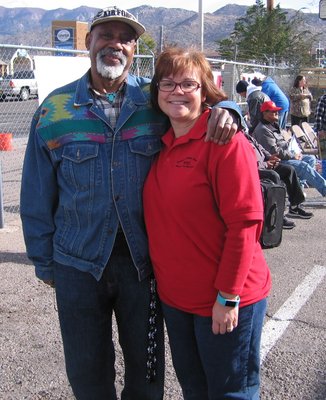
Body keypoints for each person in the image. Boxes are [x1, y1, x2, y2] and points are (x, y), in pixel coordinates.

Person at [20, 7, 242, 400]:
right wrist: (44, 260)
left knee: (147, 373)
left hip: (145, 265)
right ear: (89, 42)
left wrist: (231, 111)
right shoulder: (54, 110)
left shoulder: (154, 103)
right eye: (105, 35)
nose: (114, 44)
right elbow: (36, 192)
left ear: (134, 48)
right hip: (77, 263)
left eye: (124, 38)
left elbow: (198, 106)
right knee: (87, 374)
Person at [144, 47, 271, 399]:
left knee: (231, 392)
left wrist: (228, 296)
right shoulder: (163, 143)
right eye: (167, 84)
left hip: (226, 299)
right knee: (195, 390)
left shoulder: (224, 142)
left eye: (188, 83)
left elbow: (245, 226)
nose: (177, 92)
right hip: (178, 302)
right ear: (156, 92)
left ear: (205, 90)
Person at [253, 101, 326, 199]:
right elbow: (275, 152)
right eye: (273, 111)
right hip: (276, 161)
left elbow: (283, 145)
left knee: (311, 159)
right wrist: (293, 155)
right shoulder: (263, 130)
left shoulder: (273, 125)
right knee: (303, 166)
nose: (277, 113)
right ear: (264, 113)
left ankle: (299, 190)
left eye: (277, 111)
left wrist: (296, 152)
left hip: (287, 155)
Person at [246, 133, 313, 228]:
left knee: (289, 170)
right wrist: (266, 164)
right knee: (273, 175)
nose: (277, 117)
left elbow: (261, 149)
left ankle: (295, 207)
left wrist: (270, 157)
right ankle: (278, 216)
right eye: (275, 116)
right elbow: (246, 162)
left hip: (265, 164)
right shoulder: (261, 130)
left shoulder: (247, 135)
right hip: (254, 170)